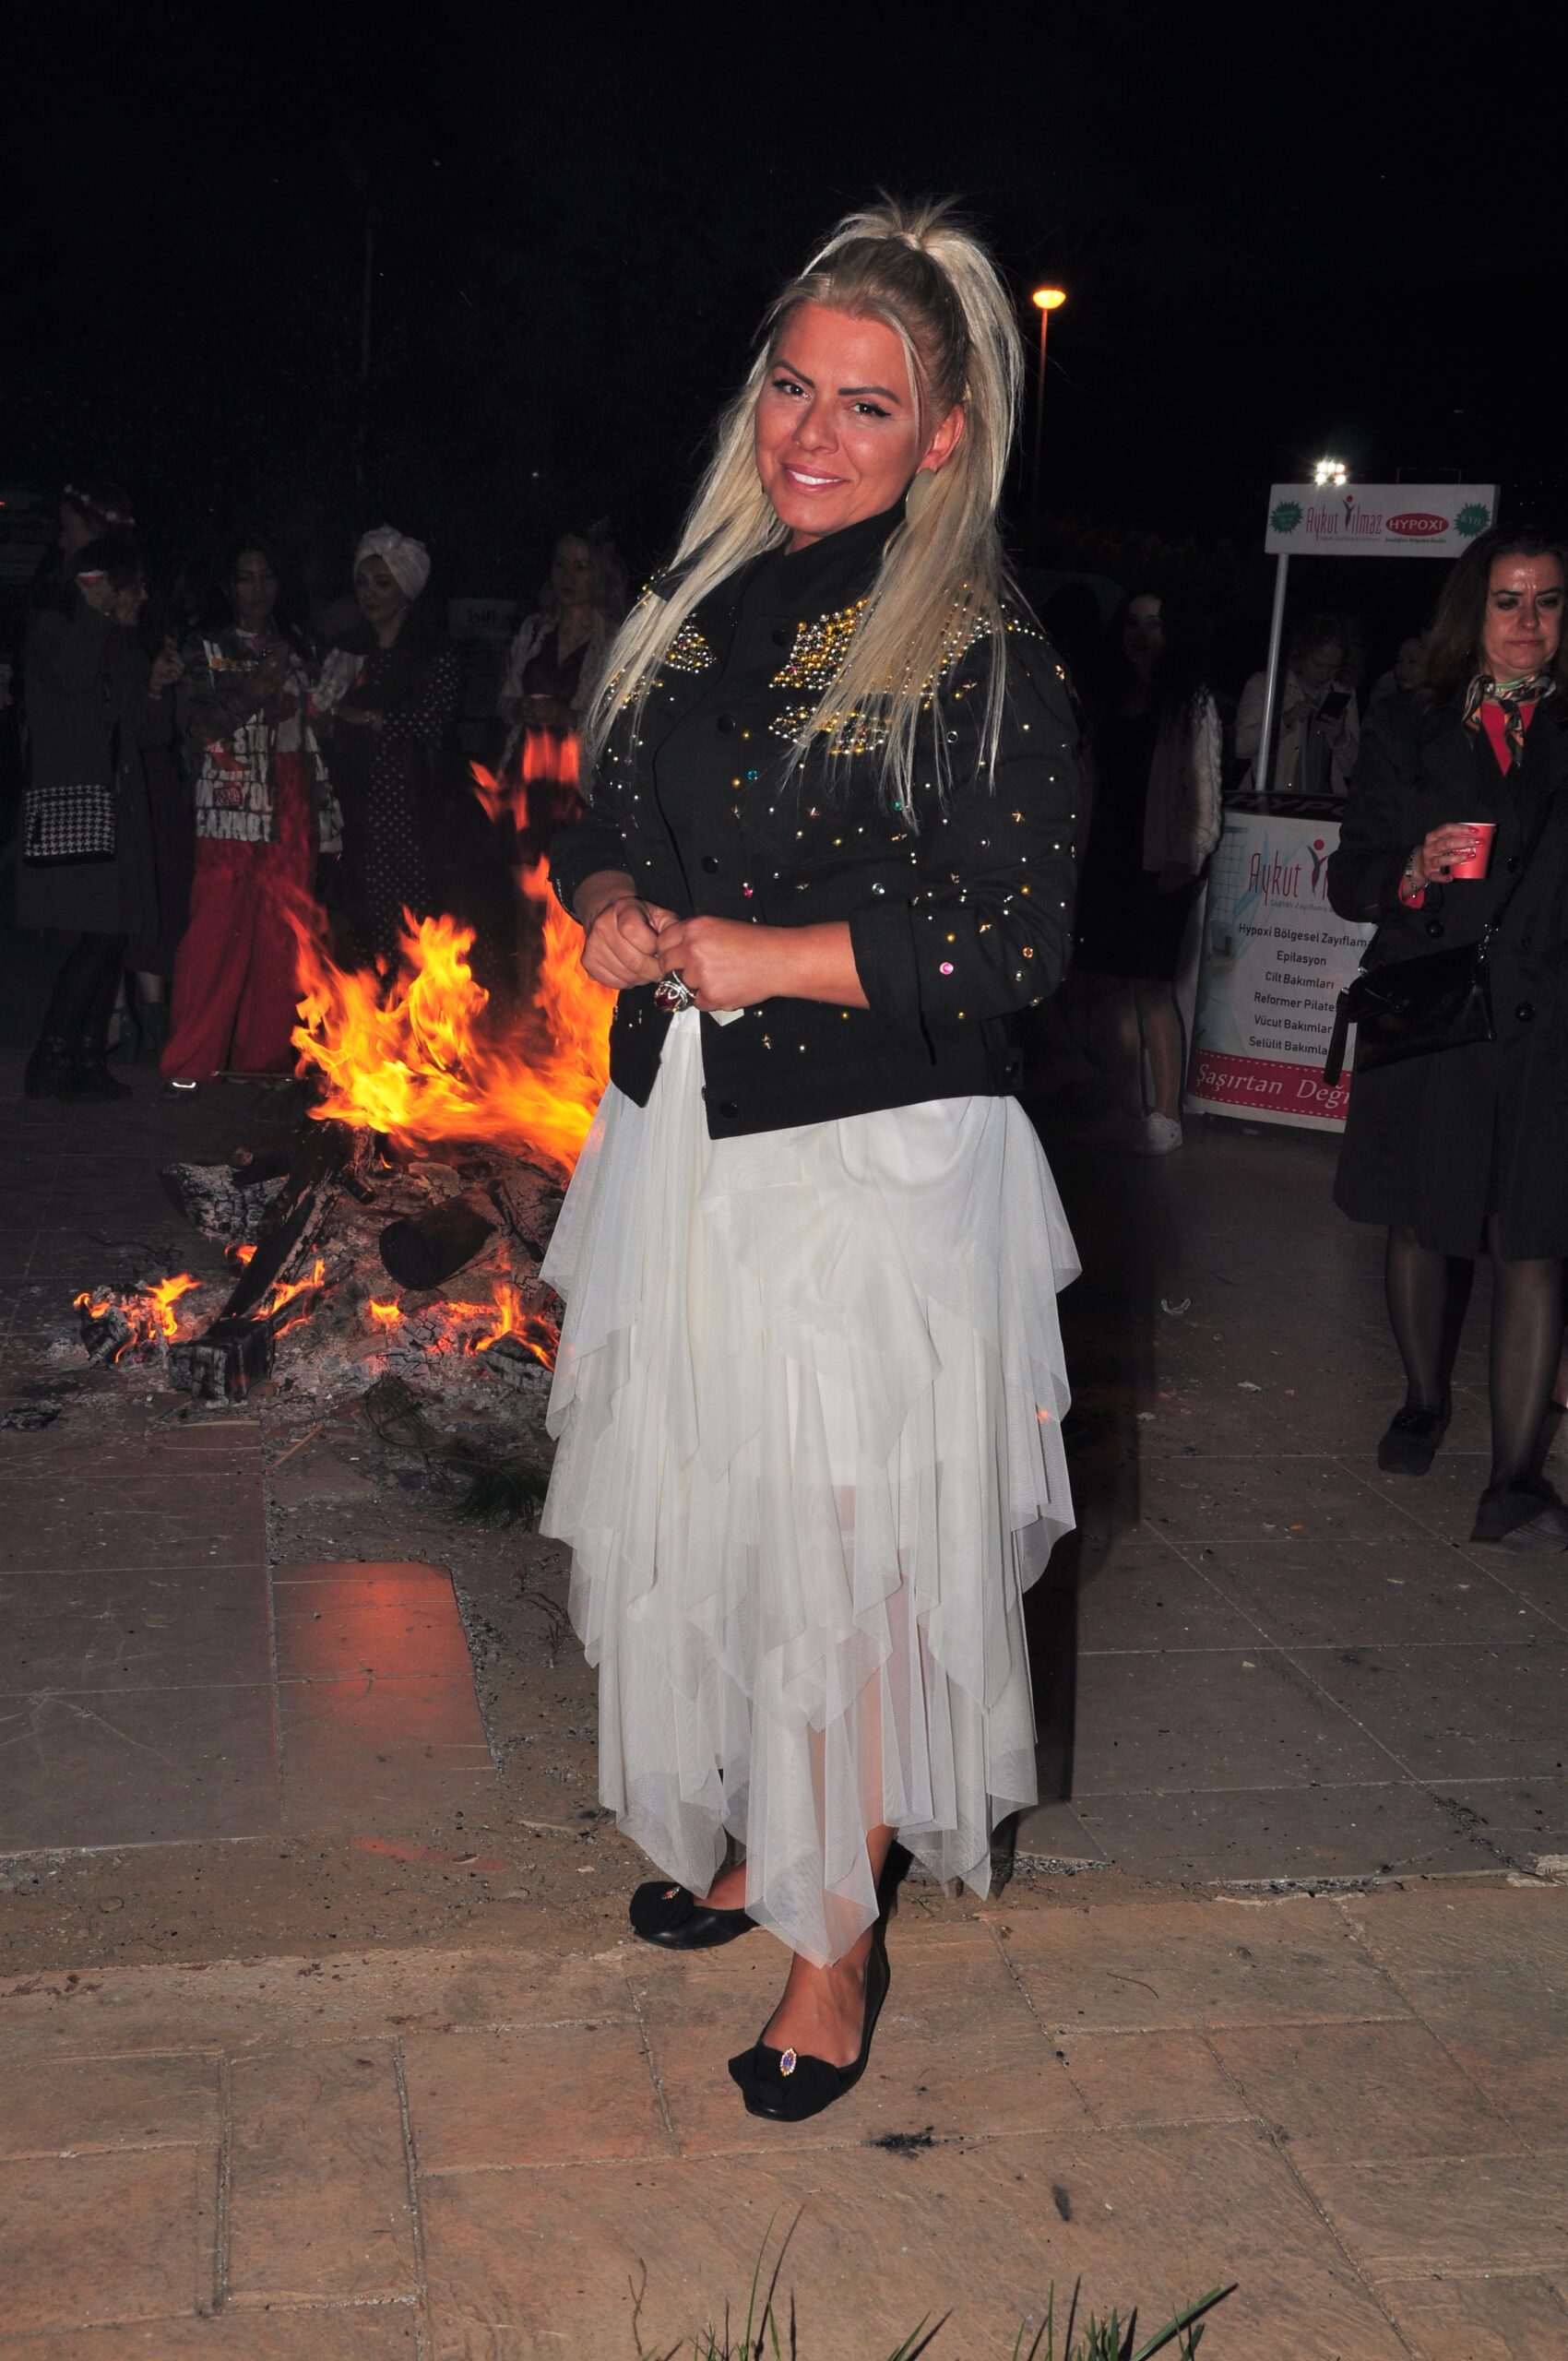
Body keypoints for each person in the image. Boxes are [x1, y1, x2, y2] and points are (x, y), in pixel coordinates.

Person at [541, 199, 1082, 2122]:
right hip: (687, 1131)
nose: (813, 434)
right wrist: (608, 906)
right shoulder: (696, 597)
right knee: (724, 1515)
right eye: (792, 387)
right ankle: (767, 1839)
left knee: (850, 1555)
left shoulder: (978, 647)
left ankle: (832, 1944)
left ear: (943, 433)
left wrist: (764, 957)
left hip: (873, 1164)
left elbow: (1016, 938)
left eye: (867, 403)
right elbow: (598, 805)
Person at [1327, 525, 1568, 1552]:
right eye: (1507, 600)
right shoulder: (1407, 719)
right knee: (1422, 1221)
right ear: (1472, 611)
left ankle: (1513, 1478)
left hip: (1547, 1019)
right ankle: (1423, 1401)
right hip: (1434, 1008)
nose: (1527, 622)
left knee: (1533, 1239)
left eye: (1547, 600)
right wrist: (1412, 869)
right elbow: (1350, 879)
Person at [160, 541, 337, 1090]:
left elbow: (318, 730)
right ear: (228, 586)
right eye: (245, 578)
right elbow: (197, 726)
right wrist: (256, 687)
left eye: (266, 577)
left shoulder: (301, 645)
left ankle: (261, 1063)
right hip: (228, 808)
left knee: (283, 938)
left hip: (291, 801)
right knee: (214, 933)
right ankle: (191, 1062)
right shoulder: (205, 646)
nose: (256, 590)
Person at [18, 538, 179, 1099]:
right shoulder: (54, 630)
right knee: (94, 935)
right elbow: (72, 674)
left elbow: (151, 732)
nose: (143, 597)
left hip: (116, 812)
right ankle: (51, 1058)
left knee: (113, 936)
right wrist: (93, 612)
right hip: (74, 807)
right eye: (133, 586)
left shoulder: (120, 643)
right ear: (103, 588)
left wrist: (156, 687)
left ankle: (85, 1060)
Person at [1070, 589, 1222, 1153]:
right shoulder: (1104, 698)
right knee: (1110, 992)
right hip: (1104, 857)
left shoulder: (1191, 701)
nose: (1141, 635)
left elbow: (1204, 787)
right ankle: (1130, 1110)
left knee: (1153, 991)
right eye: (1133, 624)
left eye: (1154, 624)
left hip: (1161, 861)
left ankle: (1167, 1115)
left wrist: (1188, 854)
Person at [315, 527, 461, 964]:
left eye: (382, 583)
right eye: (363, 582)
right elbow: (321, 715)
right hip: (356, 806)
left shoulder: (432, 652)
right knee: (360, 914)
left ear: (405, 589)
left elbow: (435, 721)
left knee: (416, 922)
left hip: (415, 807)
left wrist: (371, 719)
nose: (370, 594)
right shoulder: (346, 650)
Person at [496, 528, 625, 757]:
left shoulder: (613, 640)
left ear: (600, 575)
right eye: (560, 565)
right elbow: (504, 702)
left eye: (580, 567)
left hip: (577, 769)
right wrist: (519, 708)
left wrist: (566, 717)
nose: (567, 577)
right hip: (523, 764)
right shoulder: (534, 629)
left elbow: (618, 722)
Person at [1236, 614, 1361, 797]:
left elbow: (1355, 769)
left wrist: (1341, 738)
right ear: (1301, 654)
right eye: (1318, 665)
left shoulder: (1343, 693)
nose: (1325, 674)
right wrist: (1285, 721)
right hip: (1268, 800)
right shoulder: (1265, 685)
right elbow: (1240, 747)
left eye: (1333, 667)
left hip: (1324, 803)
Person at [1370, 630, 1431, 712]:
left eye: (1413, 661)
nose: (1403, 669)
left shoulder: (1442, 710)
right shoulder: (1384, 703)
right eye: (1399, 661)